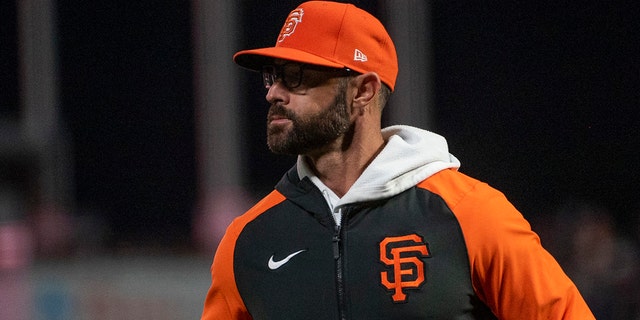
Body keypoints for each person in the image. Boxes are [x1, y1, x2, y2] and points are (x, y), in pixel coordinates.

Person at [201, 1, 595, 319]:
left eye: (297, 76)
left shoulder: (468, 214)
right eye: (272, 76)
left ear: (363, 91)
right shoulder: (247, 242)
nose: (274, 94)